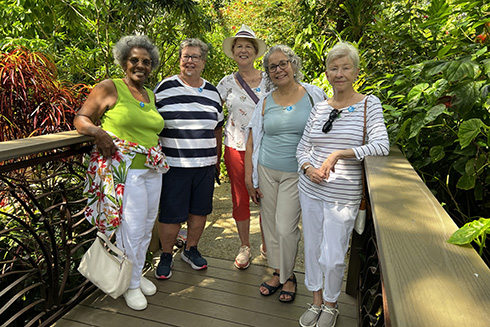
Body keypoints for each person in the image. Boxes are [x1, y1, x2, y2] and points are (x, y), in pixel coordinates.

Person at [296, 42, 389, 327]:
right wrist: (309, 168)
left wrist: (339, 154)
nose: (339, 73)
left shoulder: (368, 104)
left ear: (356, 72)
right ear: (326, 72)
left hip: (342, 195)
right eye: (334, 68)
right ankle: (315, 300)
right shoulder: (320, 107)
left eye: (345, 67)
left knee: (334, 256)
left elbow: (381, 145)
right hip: (310, 188)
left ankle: (331, 304)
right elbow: (302, 148)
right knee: (311, 248)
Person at [74, 35, 167, 311]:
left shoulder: (149, 94)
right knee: (132, 229)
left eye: (147, 62)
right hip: (127, 172)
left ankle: (135, 276)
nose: (141, 65)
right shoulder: (110, 87)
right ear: (124, 62)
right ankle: (131, 285)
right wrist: (97, 132)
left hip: (152, 169)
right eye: (135, 60)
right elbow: (81, 118)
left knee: (148, 226)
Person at [245, 45, 327, 302]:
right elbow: (252, 137)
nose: (278, 69)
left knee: (284, 226)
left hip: (298, 172)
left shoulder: (314, 95)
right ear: (268, 73)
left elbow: (328, 132)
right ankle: (279, 272)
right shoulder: (265, 100)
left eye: (283, 64)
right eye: (272, 66)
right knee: (269, 226)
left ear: (293, 65)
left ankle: (289, 275)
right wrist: (249, 177)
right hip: (267, 169)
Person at [153, 38, 224, 280]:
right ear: (180, 60)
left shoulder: (213, 92)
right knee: (171, 214)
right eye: (186, 56)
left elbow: (218, 128)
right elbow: (151, 123)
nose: (190, 61)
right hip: (174, 165)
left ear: (203, 62)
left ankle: (190, 250)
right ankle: (165, 255)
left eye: (195, 57)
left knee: (199, 212)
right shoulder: (164, 88)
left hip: (205, 165)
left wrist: (217, 159)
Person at [217, 24, 267, 269]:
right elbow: (213, 115)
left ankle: (268, 244)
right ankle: (245, 246)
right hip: (235, 146)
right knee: (240, 196)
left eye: (249, 46)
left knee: (268, 194)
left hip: (266, 147)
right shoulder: (225, 83)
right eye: (239, 46)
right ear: (233, 52)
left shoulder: (271, 79)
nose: (244, 50)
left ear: (256, 52)